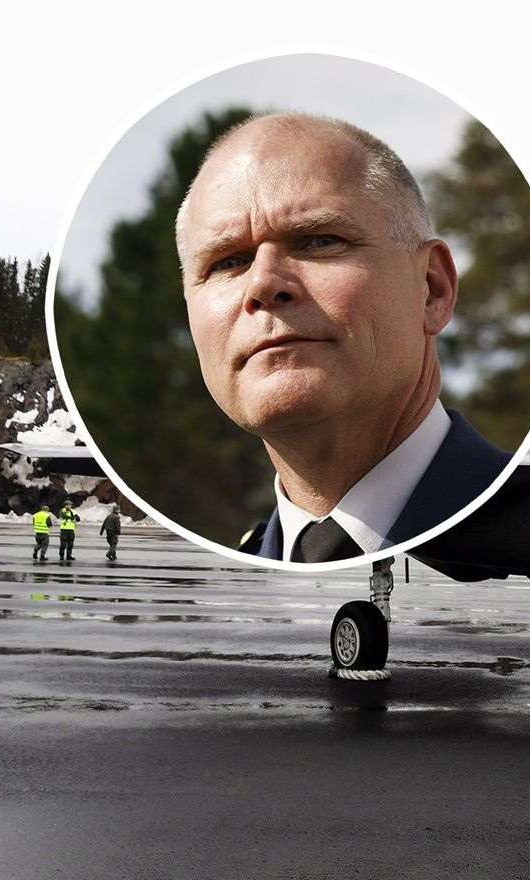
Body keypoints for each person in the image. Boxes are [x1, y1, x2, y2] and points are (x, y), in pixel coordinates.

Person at [174, 113, 511, 563]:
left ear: (432, 289)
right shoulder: (239, 576)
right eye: (227, 262)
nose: (263, 284)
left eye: (319, 241)